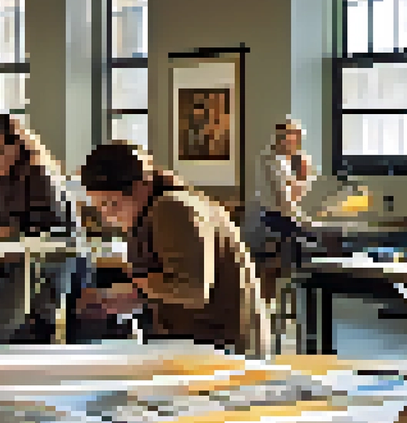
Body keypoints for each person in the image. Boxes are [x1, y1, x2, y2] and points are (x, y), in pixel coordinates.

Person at [78, 142, 269, 357]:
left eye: (112, 204)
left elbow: (193, 288)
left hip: (222, 349)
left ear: (142, 187)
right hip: (209, 343)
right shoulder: (161, 207)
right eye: (100, 207)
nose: (107, 217)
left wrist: (136, 289)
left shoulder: (171, 207)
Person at [0, 114, 80, 344]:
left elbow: (45, 228)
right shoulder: (0, 176)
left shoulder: (39, 174)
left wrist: (1, 232)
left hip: (50, 263)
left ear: (18, 148)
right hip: (21, 262)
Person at [248, 118, 319, 298]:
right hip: (275, 219)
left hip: (268, 217)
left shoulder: (272, 159)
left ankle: (287, 293)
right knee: (317, 240)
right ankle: (301, 293)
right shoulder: (275, 163)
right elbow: (285, 203)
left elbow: (290, 197)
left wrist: (302, 179)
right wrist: (308, 222)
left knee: (308, 239)